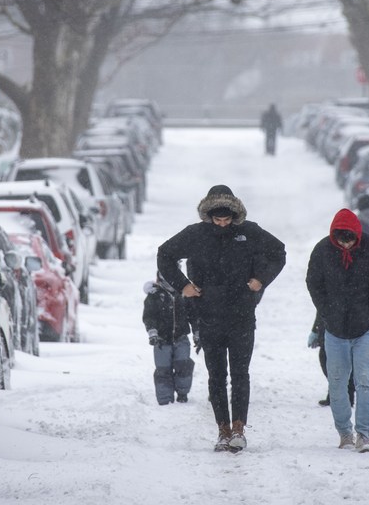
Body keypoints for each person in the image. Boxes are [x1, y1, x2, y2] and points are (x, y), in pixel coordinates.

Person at [157, 185, 286, 452]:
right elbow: (165, 254)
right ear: (209, 216)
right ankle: (222, 431)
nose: (223, 224)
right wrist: (183, 285)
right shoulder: (196, 234)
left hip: (242, 316)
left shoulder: (249, 232)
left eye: (227, 220)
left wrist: (261, 280)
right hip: (209, 316)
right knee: (216, 376)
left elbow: (278, 252)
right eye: (218, 220)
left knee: (240, 374)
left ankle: (239, 428)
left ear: (235, 215)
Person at [306, 208, 369, 452]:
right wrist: (327, 311)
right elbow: (313, 282)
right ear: (334, 236)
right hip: (334, 329)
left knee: (365, 380)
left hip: (366, 327)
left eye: (350, 240)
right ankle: (344, 431)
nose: (346, 245)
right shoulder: (323, 250)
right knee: (337, 382)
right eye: (341, 241)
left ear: (357, 235)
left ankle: (363, 434)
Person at [142, 272, 197, 405]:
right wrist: (152, 332)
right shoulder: (154, 296)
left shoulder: (184, 293)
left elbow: (193, 315)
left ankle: (182, 393)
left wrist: (197, 332)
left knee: (183, 365)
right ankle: (165, 399)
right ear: (159, 278)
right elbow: (149, 316)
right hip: (161, 340)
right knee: (163, 370)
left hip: (181, 337)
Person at [307, 314, 354, 407]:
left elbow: (322, 308)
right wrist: (316, 330)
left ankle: (344, 394)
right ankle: (339, 394)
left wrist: (316, 330)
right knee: (330, 358)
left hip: (338, 323)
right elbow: (321, 308)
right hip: (332, 323)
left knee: (330, 358)